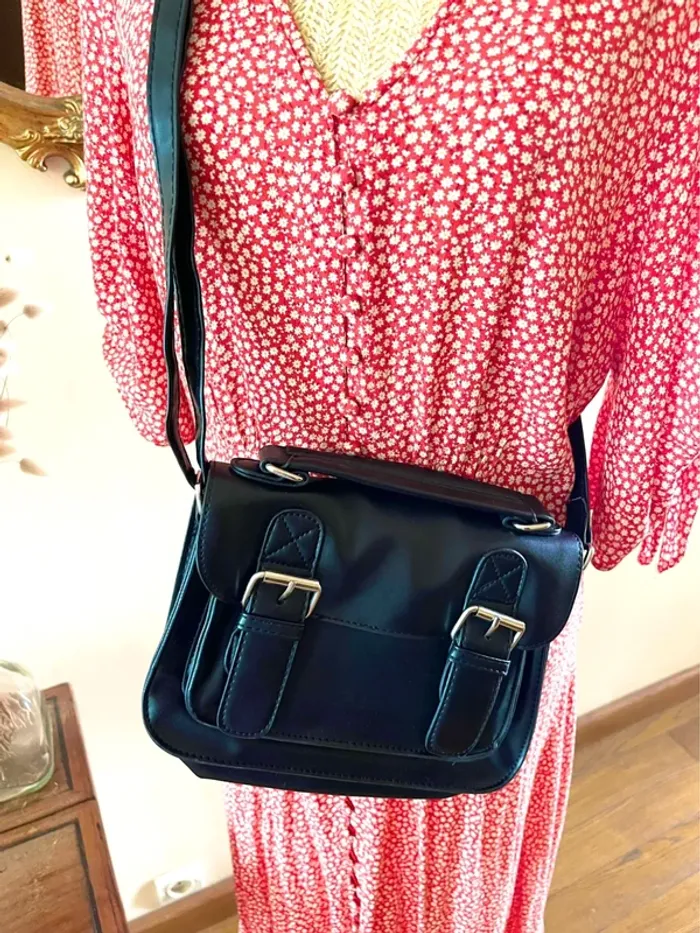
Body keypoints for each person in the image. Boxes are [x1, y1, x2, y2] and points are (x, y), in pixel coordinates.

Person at [31, 0, 699, 929]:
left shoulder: (658, 19)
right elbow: (127, 191)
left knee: (464, 859)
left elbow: (680, 261)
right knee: (289, 849)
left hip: (489, 599)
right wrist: (160, 372)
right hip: (269, 574)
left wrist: (640, 474)